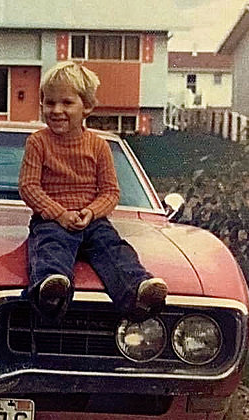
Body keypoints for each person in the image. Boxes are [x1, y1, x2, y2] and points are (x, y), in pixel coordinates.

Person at [18, 61, 167, 320]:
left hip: (93, 221)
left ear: (87, 107)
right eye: (49, 103)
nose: (56, 110)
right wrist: (59, 214)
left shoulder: (99, 145)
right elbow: (29, 187)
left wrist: (90, 212)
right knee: (51, 247)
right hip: (52, 221)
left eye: (66, 103)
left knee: (114, 248)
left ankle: (139, 291)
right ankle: (51, 289)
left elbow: (110, 192)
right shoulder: (37, 142)